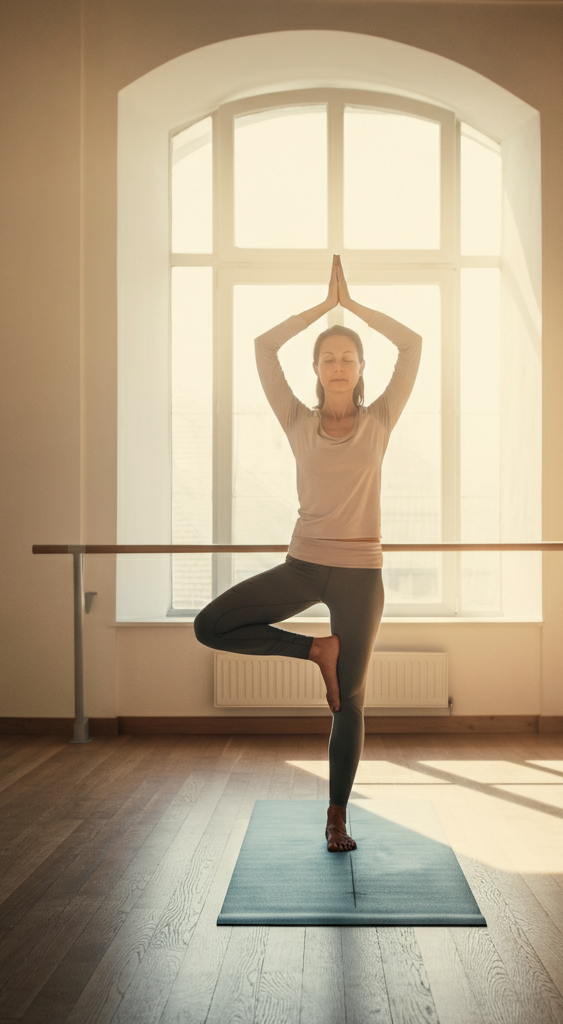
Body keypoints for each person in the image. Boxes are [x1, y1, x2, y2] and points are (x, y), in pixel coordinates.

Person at [194, 255, 422, 852]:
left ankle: (337, 814)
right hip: (303, 564)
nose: (339, 365)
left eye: (348, 356)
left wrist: (356, 306)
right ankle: (314, 649)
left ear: (362, 367)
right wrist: (324, 309)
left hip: (359, 575)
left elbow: (414, 344)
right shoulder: (296, 418)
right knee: (211, 624)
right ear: (317, 370)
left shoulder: (380, 420)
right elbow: (263, 347)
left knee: (349, 700)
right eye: (329, 357)